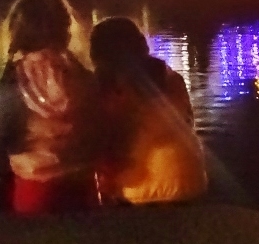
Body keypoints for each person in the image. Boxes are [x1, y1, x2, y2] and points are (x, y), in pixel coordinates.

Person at [0, 0, 100, 215]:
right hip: (82, 188)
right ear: (65, 29)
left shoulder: (15, 79)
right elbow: (99, 131)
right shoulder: (83, 76)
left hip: (32, 189)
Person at [89, 17, 207, 206]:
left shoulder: (110, 89)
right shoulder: (172, 78)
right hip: (193, 180)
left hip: (141, 193)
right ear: (141, 44)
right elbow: (188, 122)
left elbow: (107, 146)